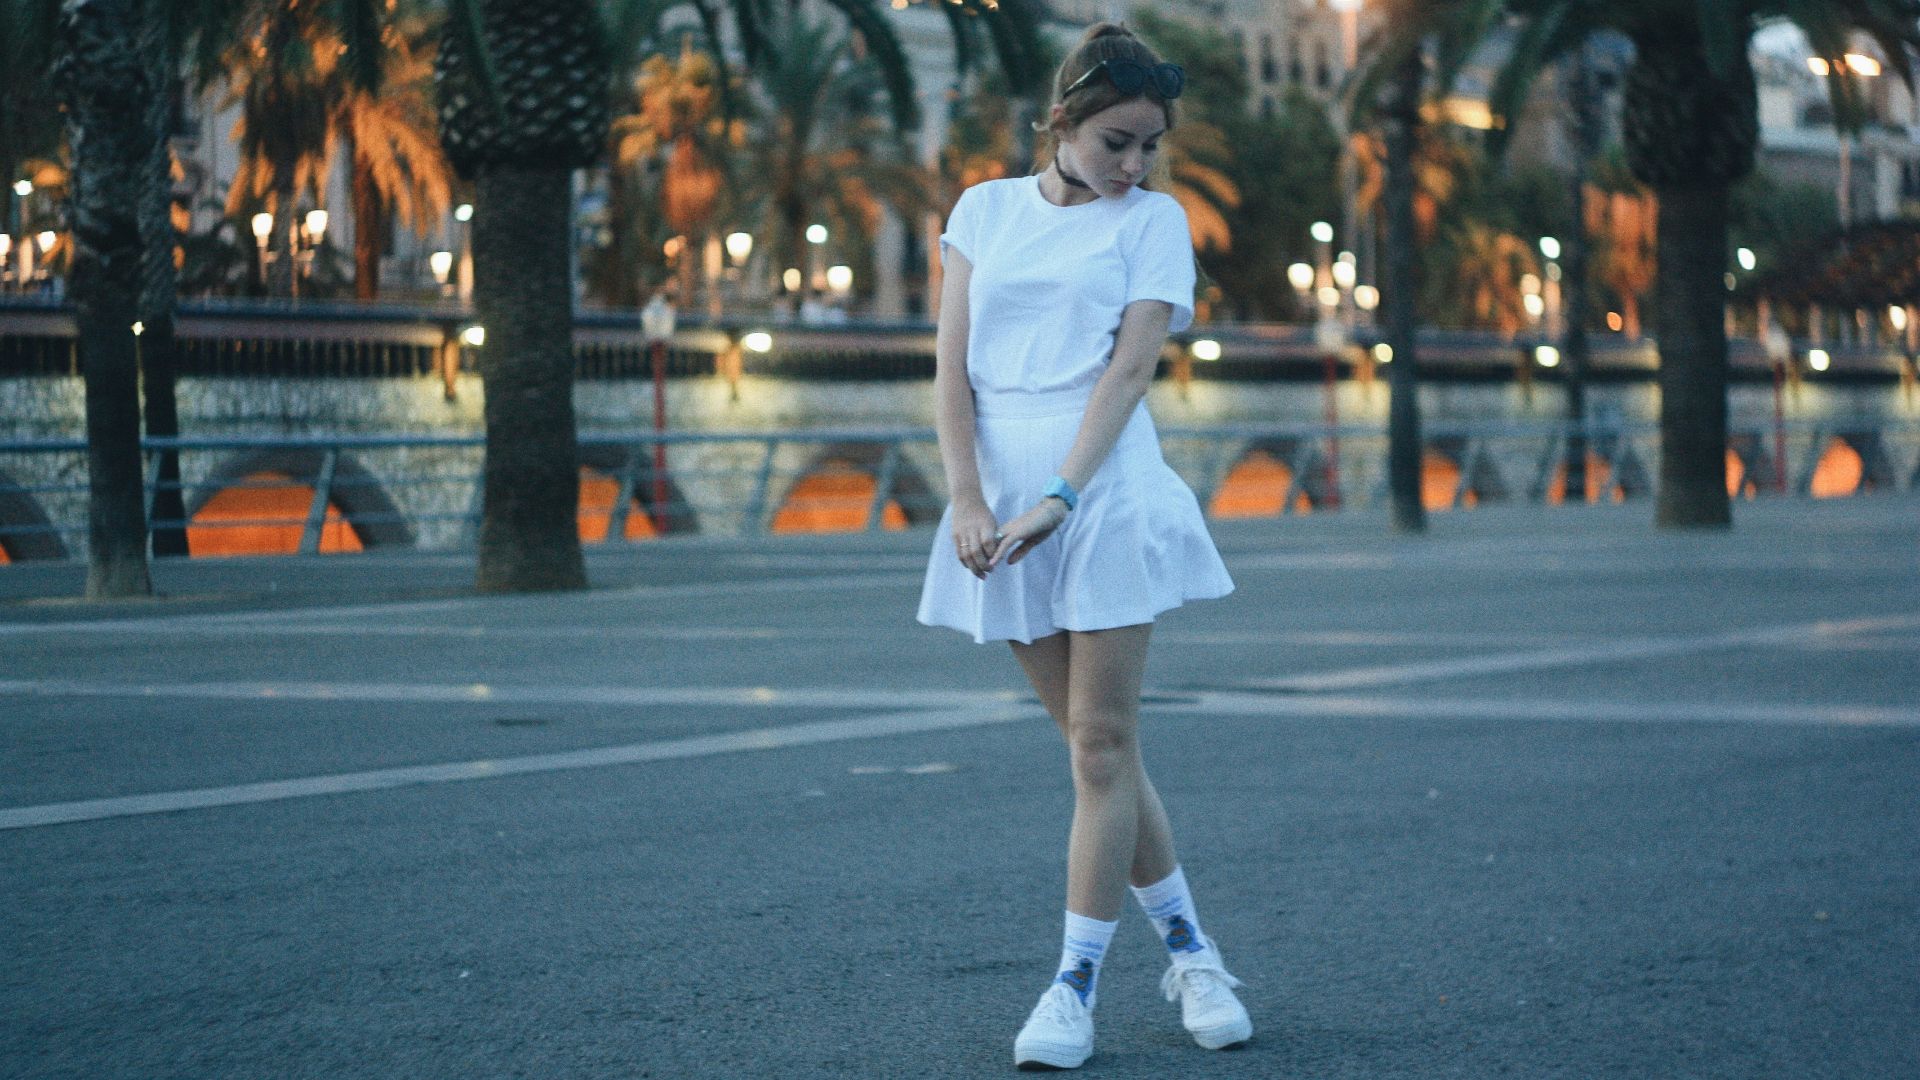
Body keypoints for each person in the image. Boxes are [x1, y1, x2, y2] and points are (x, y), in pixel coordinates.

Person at [915, 22, 1248, 1071]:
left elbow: (1127, 373)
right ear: (1060, 123)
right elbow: (951, 371)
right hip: (998, 492)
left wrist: (1062, 492)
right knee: (1094, 748)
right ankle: (1193, 951)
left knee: (1102, 743)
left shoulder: (1153, 222)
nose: (1132, 165)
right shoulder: (983, 209)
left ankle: (1072, 991)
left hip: (1098, 484)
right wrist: (968, 499)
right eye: (1116, 141)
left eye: (1149, 145)